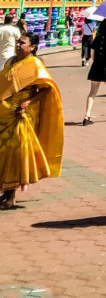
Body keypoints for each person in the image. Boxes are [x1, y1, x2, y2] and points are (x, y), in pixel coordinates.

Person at [0, 32, 63, 209]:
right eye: (18, 42)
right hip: (2, 113)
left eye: (23, 43)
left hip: (19, 115)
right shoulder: (10, 61)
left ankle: (10, 196)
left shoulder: (35, 65)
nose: (18, 45)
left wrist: (28, 102)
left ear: (32, 47)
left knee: (15, 155)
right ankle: (5, 191)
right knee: (2, 153)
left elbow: (45, 89)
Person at [83, 18, 106, 124]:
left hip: (96, 66)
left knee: (92, 92)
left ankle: (87, 116)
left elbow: (92, 55)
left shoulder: (98, 38)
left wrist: (97, 61)